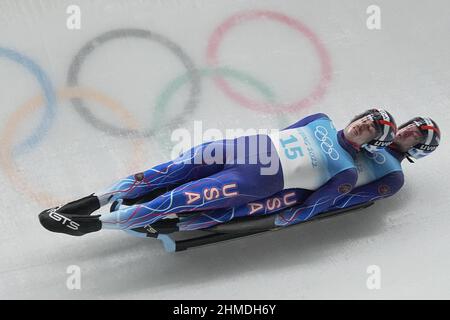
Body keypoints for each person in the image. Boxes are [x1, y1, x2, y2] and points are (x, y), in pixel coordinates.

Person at [39, 109, 397, 237]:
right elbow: (286, 130)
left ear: (371, 144)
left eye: (369, 130)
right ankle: (90, 201)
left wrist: (275, 216)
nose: (362, 126)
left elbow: (312, 206)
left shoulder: (347, 170)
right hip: (239, 149)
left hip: (253, 182)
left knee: (174, 198)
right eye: (364, 119)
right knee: (168, 170)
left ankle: (94, 226)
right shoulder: (321, 119)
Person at [173, 116, 440, 233]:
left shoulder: (394, 177)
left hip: (309, 190)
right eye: (410, 127)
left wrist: (312, 207)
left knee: (261, 201)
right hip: (295, 165)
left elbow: (353, 198)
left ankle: (203, 219)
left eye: (416, 135)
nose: (408, 132)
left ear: (419, 147)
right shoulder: (372, 138)